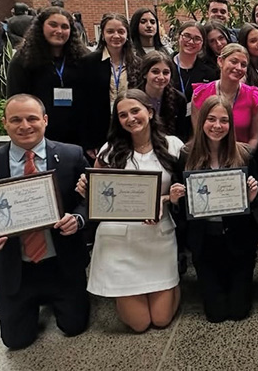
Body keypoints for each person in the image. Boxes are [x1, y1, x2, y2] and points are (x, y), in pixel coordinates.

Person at [0, 94, 89, 349]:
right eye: (16, 120)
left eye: (32, 118)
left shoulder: (71, 155)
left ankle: (56, 301)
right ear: (4, 123)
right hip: (15, 268)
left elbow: (89, 199)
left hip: (61, 264)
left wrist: (78, 219)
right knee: (16, 342)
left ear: (45, 120)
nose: (25, 126)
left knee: (74, 327)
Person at [79, 89, 184, 332]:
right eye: (123, 115)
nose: (130, 118)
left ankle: (170, 283)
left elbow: (183, 189)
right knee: (139, 324)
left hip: (157, 234)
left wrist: (164, 199)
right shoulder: (109, 150)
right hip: (119, 239)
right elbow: (98, 193)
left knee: (161, 319)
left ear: (150, 111)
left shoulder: (173, 145)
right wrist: (87, 189)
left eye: (135, 111)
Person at [170, 96, 258, 323]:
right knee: (216, 314)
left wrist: (251, 198)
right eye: (211, 119)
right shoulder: (186, 155)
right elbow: (181, 209)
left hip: (238, 238)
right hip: (205, 241)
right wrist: (175, 199)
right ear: (201, 121)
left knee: (239, 312)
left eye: (224, 120)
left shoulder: (244, 154)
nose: (217, 126)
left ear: (231, 124)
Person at [7, 7, 87, 147]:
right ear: (41, 27)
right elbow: (15, 101)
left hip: (78, 135)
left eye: (64, 27)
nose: (59, 31)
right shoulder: (23, 60)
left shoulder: (83, 59)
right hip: (40, 136)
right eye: (53, 25)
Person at [79, 13, 140, 159]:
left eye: (121, 31)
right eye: (110, 31)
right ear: (103, 34)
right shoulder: (89, 62)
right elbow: (83, 104)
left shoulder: (137, 63)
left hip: (129, 127)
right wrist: (88, 141)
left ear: (127, 34)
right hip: (99, 131)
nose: (116, 36)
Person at [191, 44, 258, 152]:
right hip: (206, 155)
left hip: (241, 157)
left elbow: (255, 137)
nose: (238, 68)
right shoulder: (200, 94)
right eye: (234, 62)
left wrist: (244, 156)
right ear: (220, 61)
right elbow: (198, 134)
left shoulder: (254, 98)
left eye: (243, 65)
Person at [135, 51, 192, 142]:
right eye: (155, 72)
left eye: (166, 73)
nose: (161, 77)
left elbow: (182, 133)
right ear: (145, 74)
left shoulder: (179, 99)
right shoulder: (133, 98)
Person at [171, 21, 219, 102]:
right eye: (187, 36)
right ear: (178, 37)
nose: (191, 42)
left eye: (197, 39)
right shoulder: (165, 65)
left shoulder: (210, 73)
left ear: (203, 43)